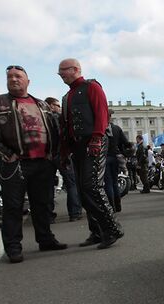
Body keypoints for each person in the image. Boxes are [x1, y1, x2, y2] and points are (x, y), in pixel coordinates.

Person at [0, 65, 66, 263]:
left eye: (18, 76)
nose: (13, 79)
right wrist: (6, 154)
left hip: (43, 162)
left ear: (28, 81)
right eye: (10, 76)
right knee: (13, 206)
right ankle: (13, 247)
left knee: (42, 204)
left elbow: (54, 129)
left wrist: (53, 155)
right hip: (15, 163)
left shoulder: (42, 104)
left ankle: (46, 240)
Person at [57, 58, 123, 249]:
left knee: (92, 186)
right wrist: (64, 151)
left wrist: (96, 139)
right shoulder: (66, 97)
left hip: (94, 142)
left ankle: (112, 229)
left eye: (63, 70)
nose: (60, 74)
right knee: (83, 191)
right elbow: (66, 126)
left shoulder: (91, 87)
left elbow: (101, 114)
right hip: (77, 147)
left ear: (76, 69)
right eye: (59, 71)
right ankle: (97, 231)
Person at [45, 96, 82, 222]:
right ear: (50, 106)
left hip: (47, 156)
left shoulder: (40, 120)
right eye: (57, 105)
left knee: (48, 186)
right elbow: (65, 136)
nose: (59, 108)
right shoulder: (59, 119)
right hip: (61, 154)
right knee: (71, 183)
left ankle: (49, 215)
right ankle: (74, 212)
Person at [104, 109, 132, 211]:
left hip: (104, 158)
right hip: (115, 157)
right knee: (115, 182)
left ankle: (112, 207)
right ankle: (118, 206)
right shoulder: (116, 128)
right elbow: (126, 143)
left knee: (108, 183)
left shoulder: (99, 128)